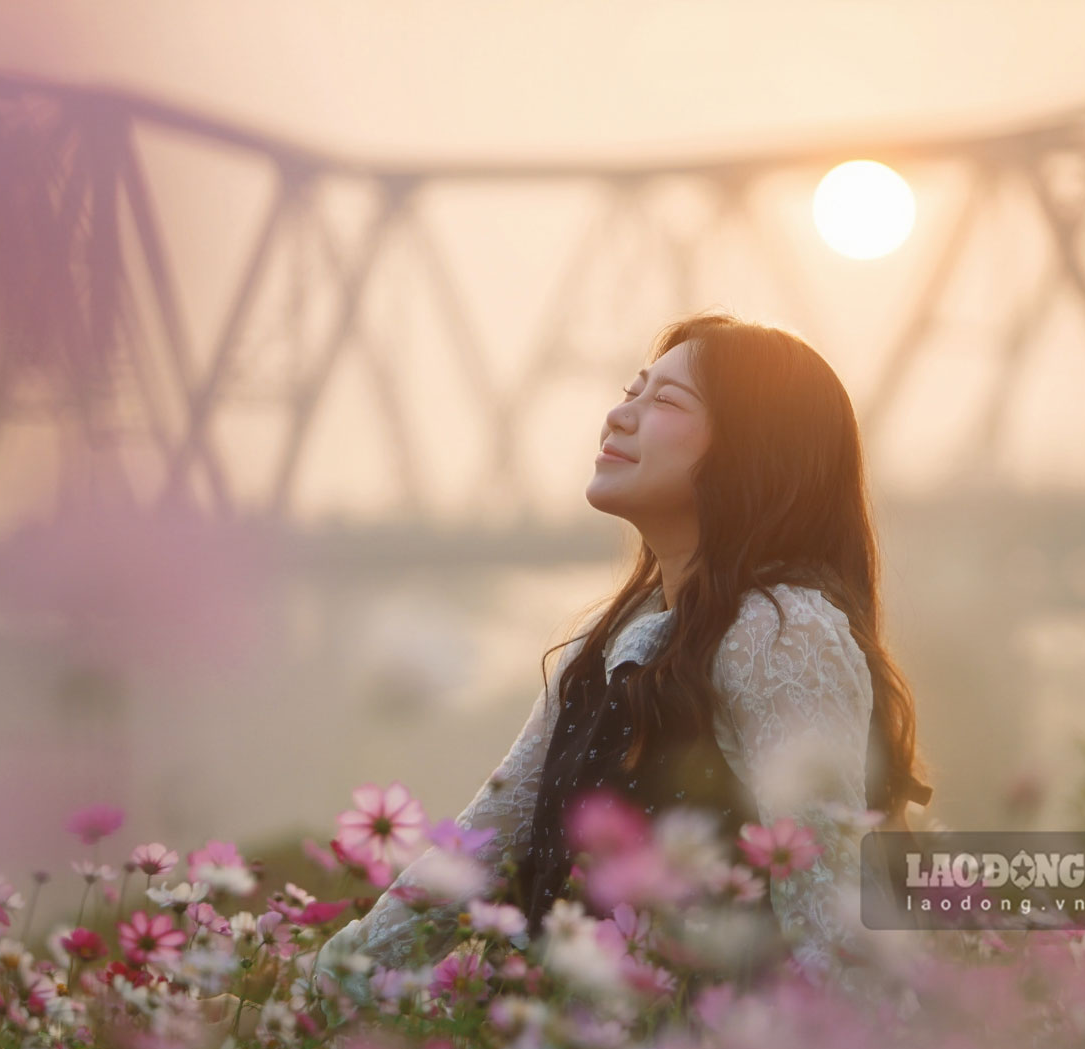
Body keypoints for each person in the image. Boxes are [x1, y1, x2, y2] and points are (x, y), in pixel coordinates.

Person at [313, 310, 932, 1000]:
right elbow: (483, 842)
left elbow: (829, 908)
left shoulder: (778, 629)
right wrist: (322, 983)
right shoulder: (611, 644)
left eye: (665, 401)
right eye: (631, 391)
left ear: (756, 451)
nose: (618, 416)